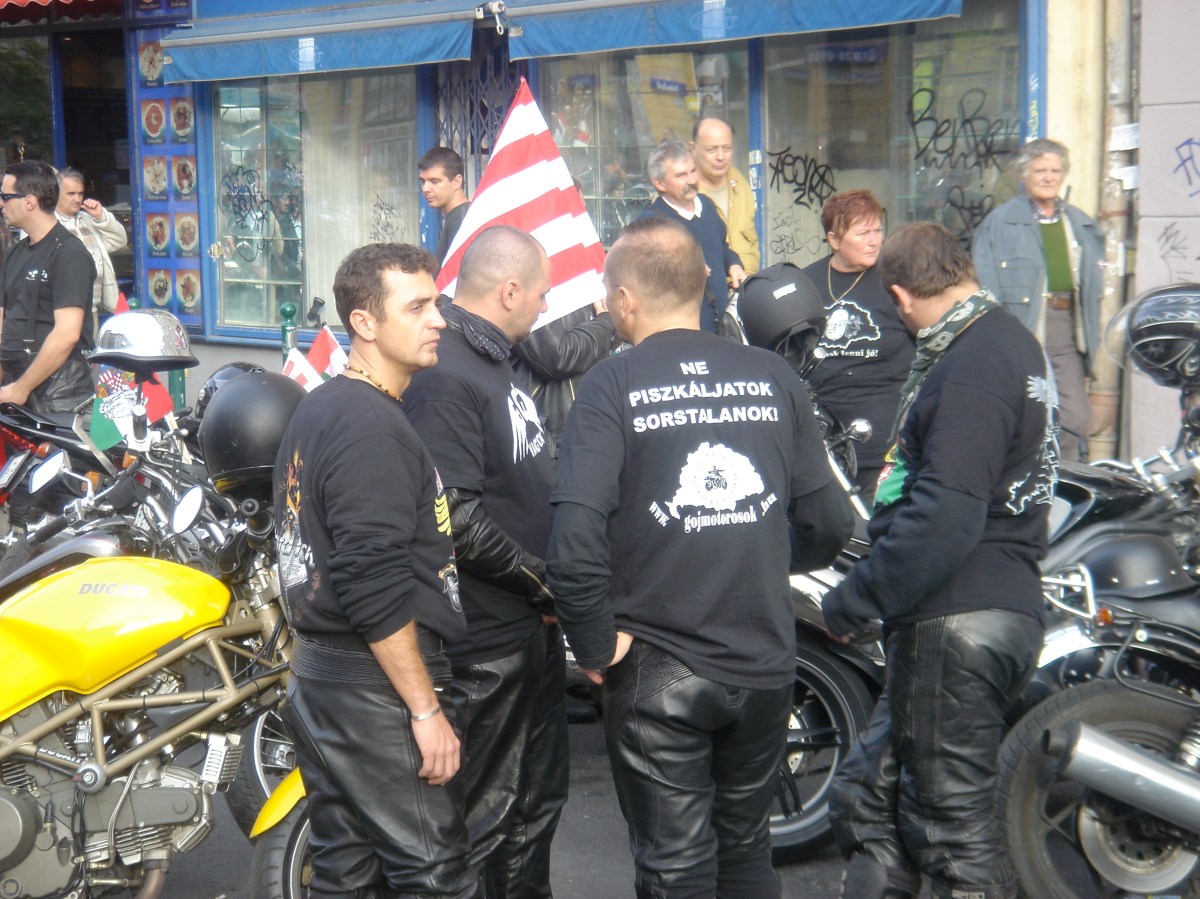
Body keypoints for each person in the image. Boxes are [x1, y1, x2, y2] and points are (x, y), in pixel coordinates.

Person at [546, 216, 854, 898]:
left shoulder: (611, 383)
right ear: (704, 282)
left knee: (675, 868)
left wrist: (594, 645)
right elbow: (830, 523)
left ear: (623, 300)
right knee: (745, 851)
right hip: (763, 657)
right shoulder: (772, 374)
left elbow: (573, 541)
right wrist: (753, 551)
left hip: (656, 661)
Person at [823, 222, 1058, 899]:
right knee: (867, 797)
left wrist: (856, 598)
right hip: (973, 611)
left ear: (900, 295)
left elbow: (946, 516)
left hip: (959, 615)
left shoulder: (973, 363)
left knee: (950, 833)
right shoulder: (1006, 342)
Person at [272, 242, 480, 898]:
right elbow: (371, 580)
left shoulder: (329, 406)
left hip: (327, 679)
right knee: (435, 875)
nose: (438, 319)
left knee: (347, 873)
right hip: (372, 690)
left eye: (436, 303)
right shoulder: (371, 427)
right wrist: (424, 709)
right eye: (416, 307)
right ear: (364, 322)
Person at [403, 226, 567, 898]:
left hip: (528, 631)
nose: (545, 307)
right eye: (542, 294)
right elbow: (455, 519)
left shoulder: (494, 359)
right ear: (509, 290)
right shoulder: (445, 374)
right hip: (486, 645)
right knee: (486, 822)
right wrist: (546, 582)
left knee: (537, 805)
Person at [972, 138, 1104, 460]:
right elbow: (986, 286)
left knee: (1075, 417)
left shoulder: (1079, 222)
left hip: (1066, 329)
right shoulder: (1000, 222)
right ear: (1023, 175)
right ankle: (1026, 478)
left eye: (1055, 171)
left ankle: (1065, 479)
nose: (1048, 177)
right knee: (1024, 412)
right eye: (1040, 170)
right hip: (1022, 328)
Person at [802, 190, 915, 499]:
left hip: (884, 441)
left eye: (878, 231)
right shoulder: (806, 284)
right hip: (822, 440)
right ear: (834, 239)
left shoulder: (897, 282)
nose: (874, 241)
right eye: (863, 233)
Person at [0, 160, 96, 419]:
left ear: (29, 202)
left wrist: (21, 388)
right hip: (14, 388)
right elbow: (3, 324)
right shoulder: (15, 253)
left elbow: (67, 333)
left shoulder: (69, 255)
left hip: (61, 395)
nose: (1, 203)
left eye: (5, 197)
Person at [637, 140, 746, 334]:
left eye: (693, 171)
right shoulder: (651, 223)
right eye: (681, 175)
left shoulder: (707, 205)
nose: (691, 180)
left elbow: (721, 246)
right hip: (680, 332)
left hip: (720, 325)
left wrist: (734, 264)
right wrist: (686, 268)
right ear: (659, 183)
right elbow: (645, 277)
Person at [510, 297, 622, 458]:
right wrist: (607, 321)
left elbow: (614, 337)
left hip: (595, 422)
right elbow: (558, 356)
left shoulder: (588, 285)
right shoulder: (530, 291)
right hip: (550, 432)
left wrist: (610, 321)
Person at [54, 166, 127, 335]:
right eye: (71, 194)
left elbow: (119, 241)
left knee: (89, 350)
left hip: (91, 308)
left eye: (80, 193)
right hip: (62, 310)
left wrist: (101, 217)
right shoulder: (48, 223)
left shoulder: (87, 219)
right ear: (56, 193)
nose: (77, 199)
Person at [690, 117, 760, 275]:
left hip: (748, 280)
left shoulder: (739, 181)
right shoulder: (681, 191)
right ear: (693, 148)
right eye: (711, 150)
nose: (721, 157)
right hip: (707, 287)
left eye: (727, 148)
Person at [419, 146, 471, 266]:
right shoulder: (457, 216)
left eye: (434, 181)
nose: (425, 189)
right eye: (423, 181)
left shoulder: (461, 221)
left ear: (457, 182)